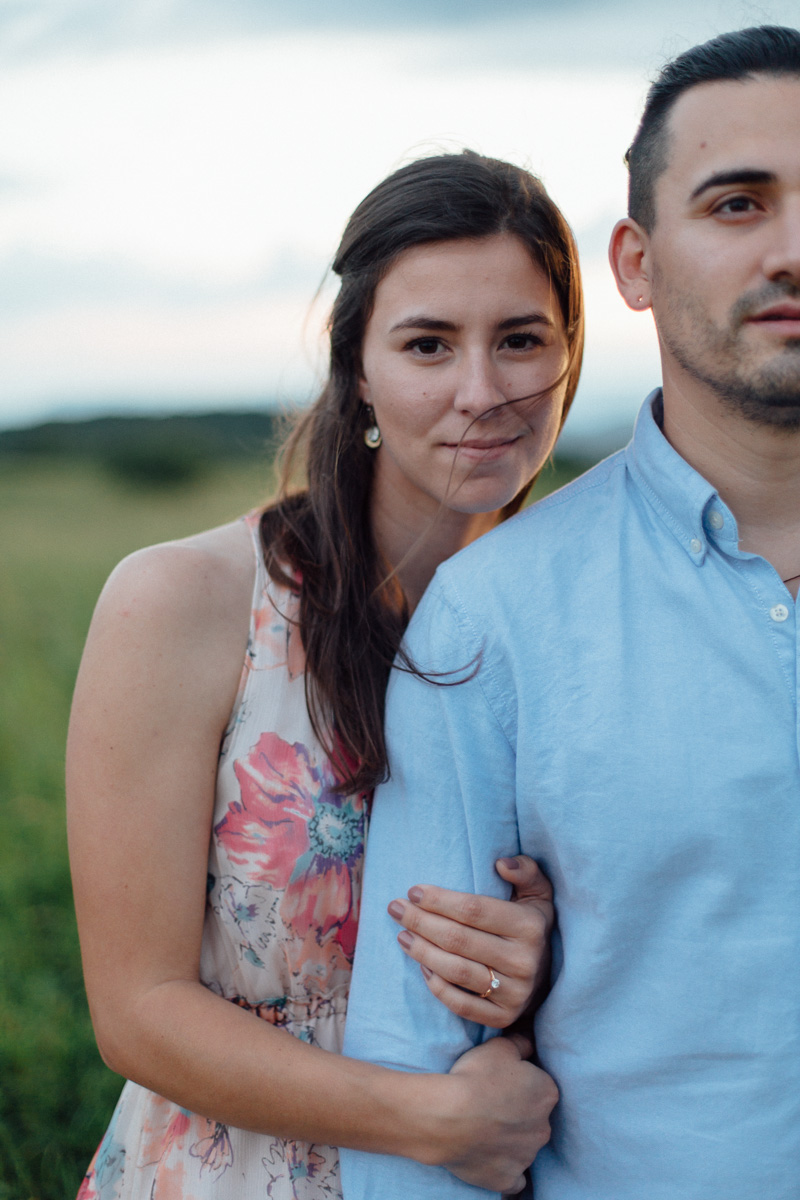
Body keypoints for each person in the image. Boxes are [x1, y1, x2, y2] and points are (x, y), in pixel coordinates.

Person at [66, 150, 585, 1199]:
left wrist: (539, 962)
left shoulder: (575, 625)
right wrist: (431, 1121)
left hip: (487, 1167)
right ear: (357, 369)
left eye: (519, 340)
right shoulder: (185, 601)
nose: (478, 392)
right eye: (427, 344)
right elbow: (137, 1010)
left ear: (569, 358)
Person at [340, 24, 800, 1200]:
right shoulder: (492, 615)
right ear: (636, 264)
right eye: (738, 203)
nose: (790, 248)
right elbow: (418, 1069)